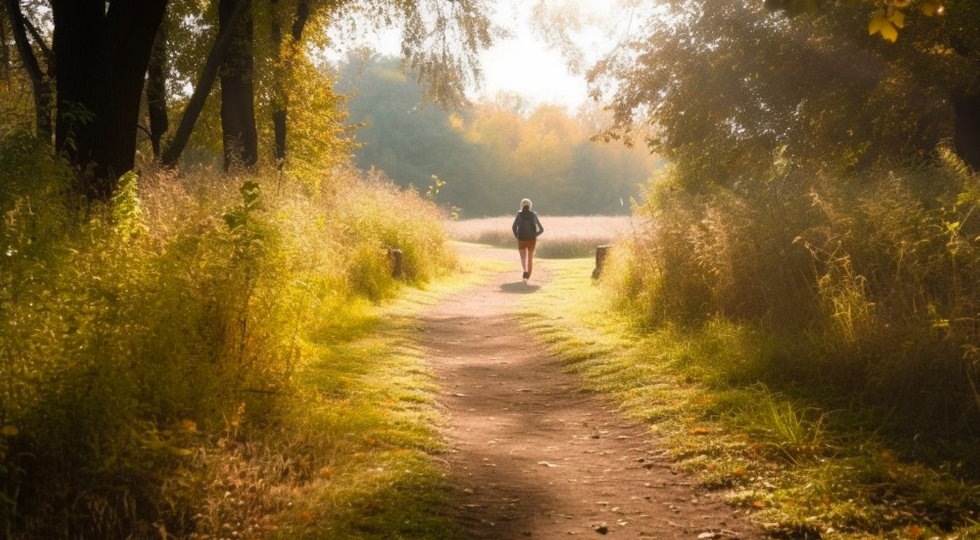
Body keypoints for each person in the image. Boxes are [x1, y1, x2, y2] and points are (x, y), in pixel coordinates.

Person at [511, 198, 544, 281]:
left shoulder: (519, 215)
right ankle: (527, 277)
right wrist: (534, 235)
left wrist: (517, 237)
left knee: (523, 258)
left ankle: (525, 271)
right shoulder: (534, 215)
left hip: (521, 240)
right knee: (530, 258)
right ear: (530, 206)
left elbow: (514, 227)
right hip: (532, 240)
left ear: (522, 205)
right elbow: (541, 229)